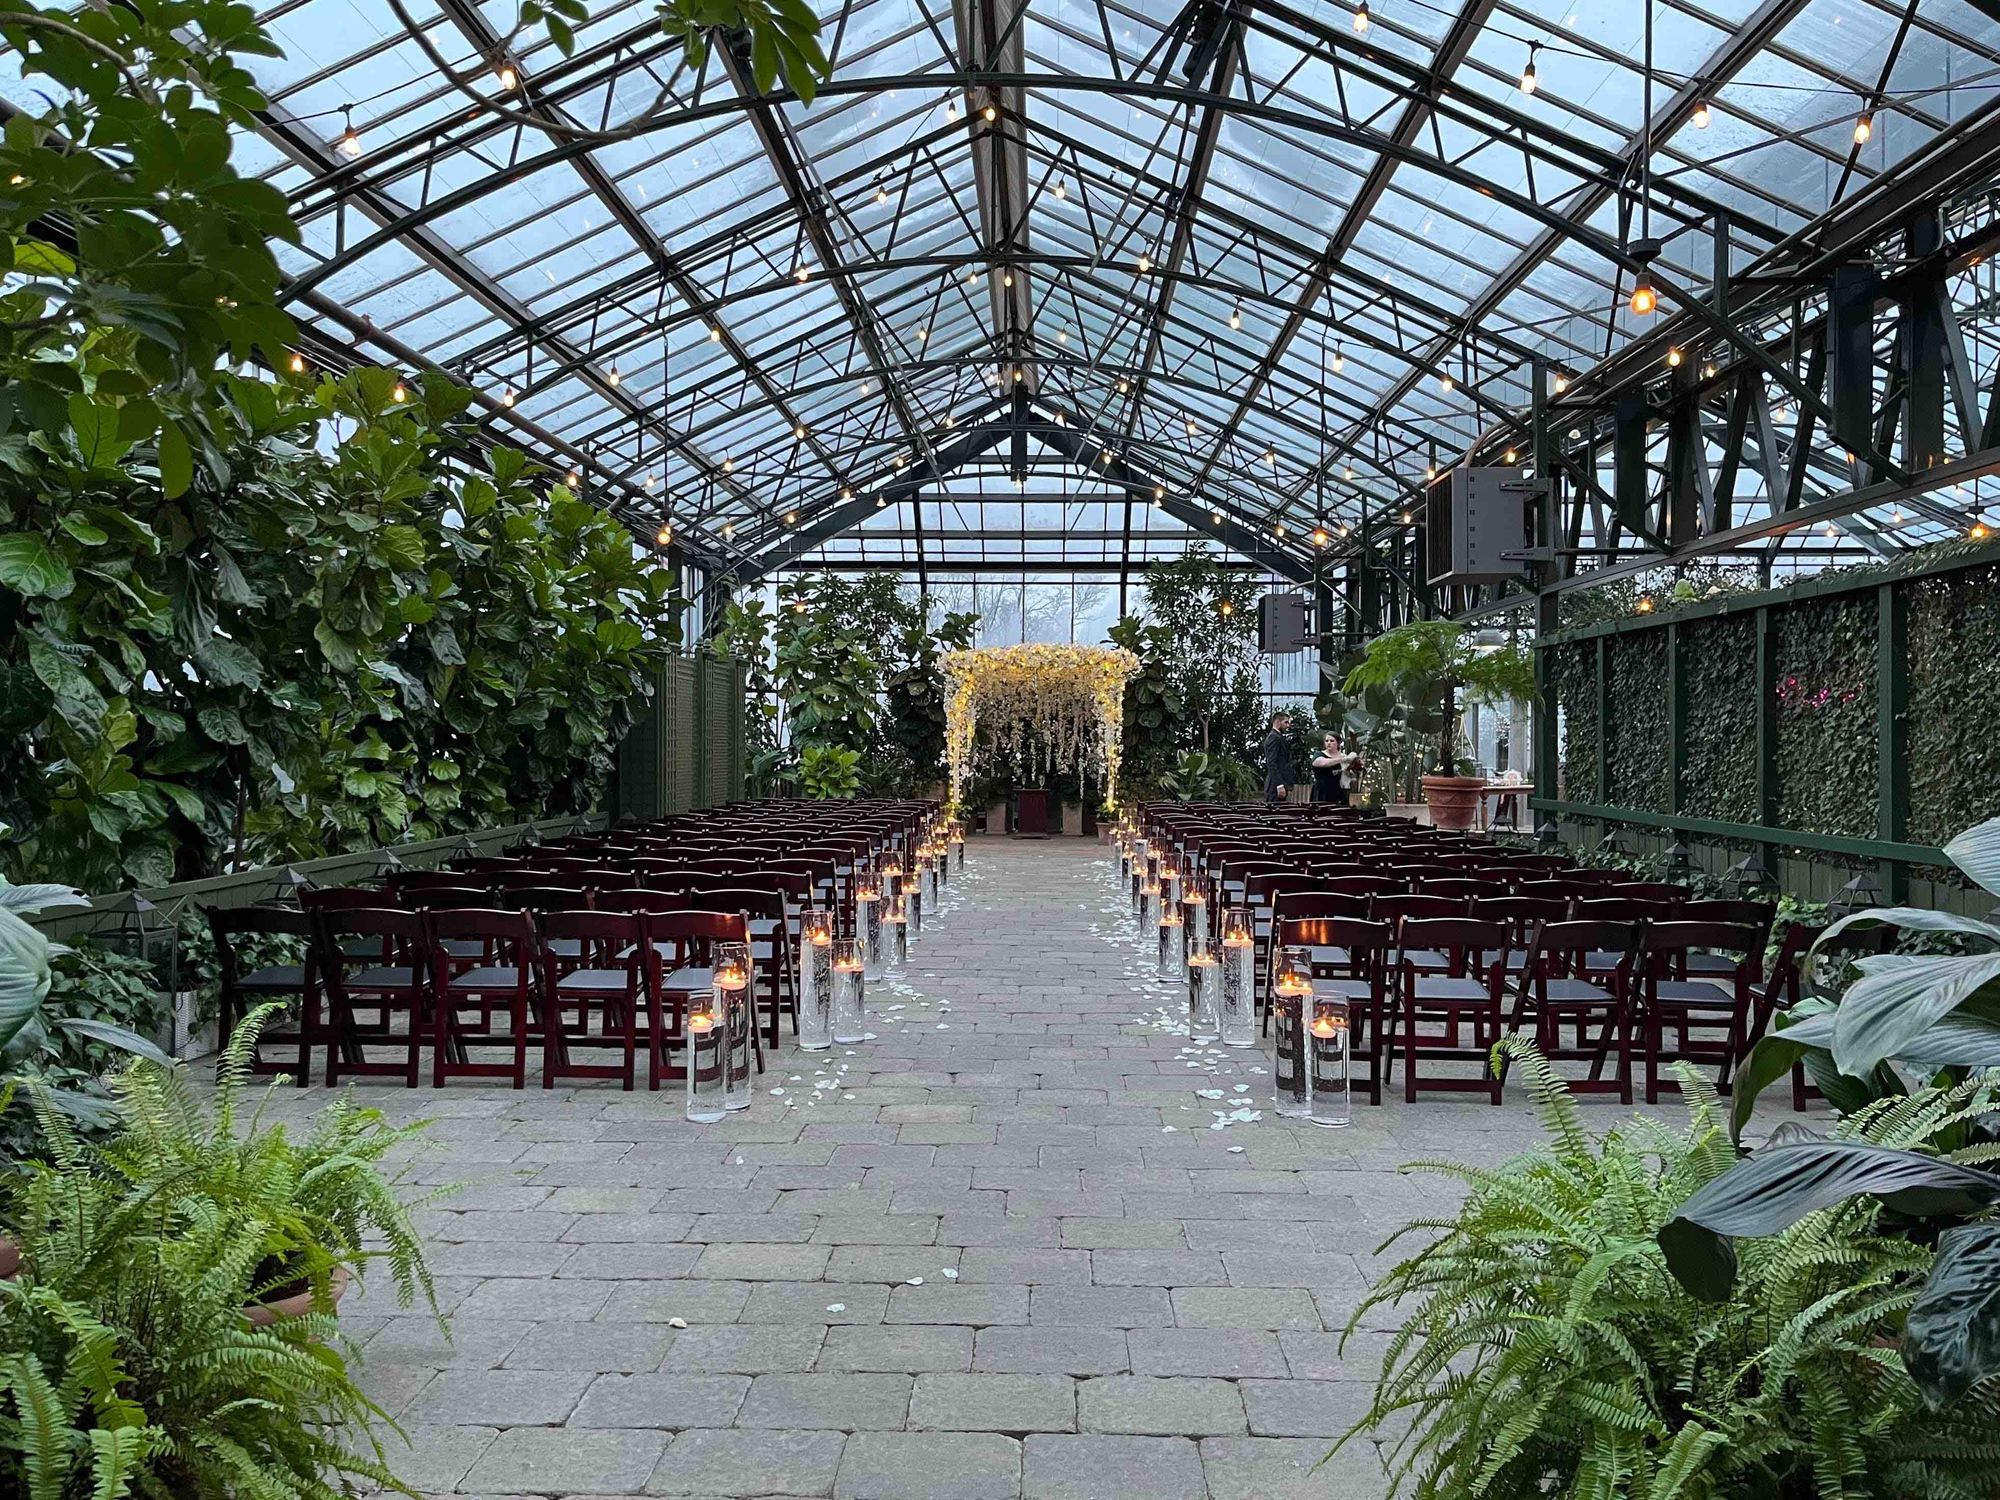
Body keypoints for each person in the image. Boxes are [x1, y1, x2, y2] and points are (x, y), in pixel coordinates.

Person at [1261, 711, 1291, 805]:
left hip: (1278, 782)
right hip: (1275, 785)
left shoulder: (1277, 737)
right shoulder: (1274, 738)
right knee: (1275, 814)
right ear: (1278, 722)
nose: (1288, 725)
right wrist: (1279, 785)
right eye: (1286, 722)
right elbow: (1271, 763)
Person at [1311, 732, 1349, 806]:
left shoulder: (1344, 756)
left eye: (1332, 741)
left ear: (1338, 743)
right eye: (1327, 741)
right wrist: (1341, 759)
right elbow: (1322, 763)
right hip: (1322, 790)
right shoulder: (1319, 754)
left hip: (1338, 790)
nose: (1329, 743)